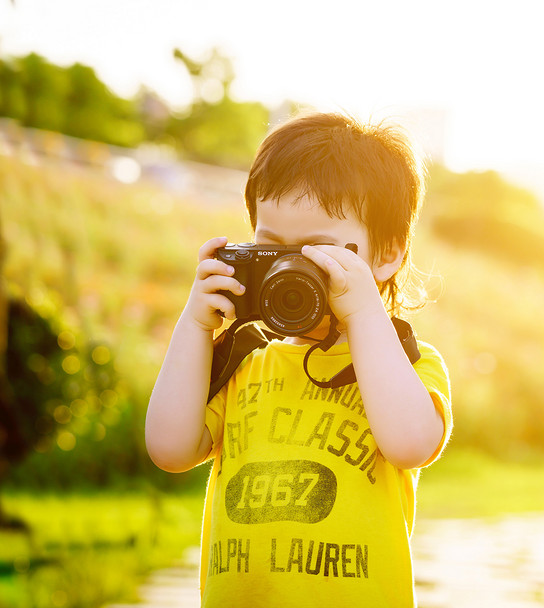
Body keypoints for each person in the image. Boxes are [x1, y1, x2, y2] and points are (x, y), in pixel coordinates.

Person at [144, 112, 452, 607]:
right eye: (271, 250)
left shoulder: (407, 364)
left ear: (388, 253)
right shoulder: (245, 362)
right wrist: (196, 327)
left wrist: (361, 311)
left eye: (318, 251)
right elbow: (168, 449)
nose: (292, 270)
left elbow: (411, 443)